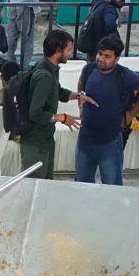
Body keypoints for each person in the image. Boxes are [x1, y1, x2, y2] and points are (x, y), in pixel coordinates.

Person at [73, 35, 139, 187]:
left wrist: (130, 114)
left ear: (117, 58)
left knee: (112, 187)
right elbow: (81, 84)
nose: (101, 58)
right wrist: (81, 102)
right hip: (85, 139)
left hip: (110, 142)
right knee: (81, 186)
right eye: (100, 54)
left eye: (107, 56)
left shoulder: (125, 75)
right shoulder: (89, 69)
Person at [16, 28, 87, 180]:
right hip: (35, 142)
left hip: (46, 140)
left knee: (46, 185)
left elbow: (57, 91)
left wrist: (77, 96)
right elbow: (35, 113)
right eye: (68, 49)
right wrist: (62, 118)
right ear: (58, 50)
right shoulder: (44, 76)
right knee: (32, 187)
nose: (70, 53)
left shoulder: (49, 69)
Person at [74, 0, 123, 65]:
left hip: (92, 47)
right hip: (102, 50)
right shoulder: (109, 9)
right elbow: (110, 25)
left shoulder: (99, 2)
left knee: (91, 68)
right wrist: (116, 41)